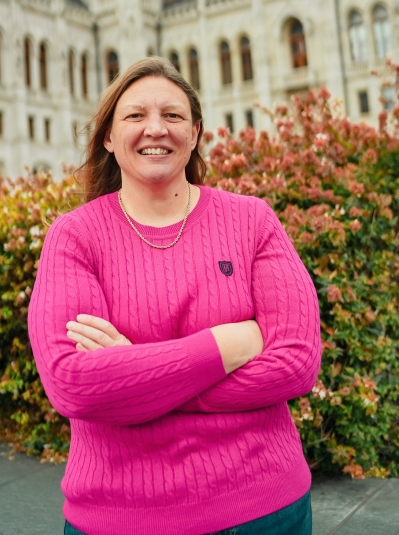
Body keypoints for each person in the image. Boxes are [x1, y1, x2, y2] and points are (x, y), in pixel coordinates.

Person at [28, 57, 321, 535]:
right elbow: (72, 383)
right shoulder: (75, 237)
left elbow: (297, 362)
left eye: (173, 115)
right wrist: (227, 345)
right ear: (108, 136)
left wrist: (139, 375)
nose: (155, 128)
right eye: (135, 115)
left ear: (196, 132)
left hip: (267, 510)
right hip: (119, 518)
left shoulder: (252, 221)